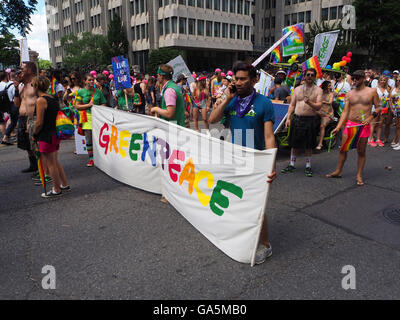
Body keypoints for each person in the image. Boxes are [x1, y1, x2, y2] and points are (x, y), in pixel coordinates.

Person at [209, 61, 276, 265]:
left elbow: (269, 136)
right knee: (235, 197)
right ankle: (240, 235)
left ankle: (265, 244)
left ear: (254, 80)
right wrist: (227, 98)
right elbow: (212, 120)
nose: (238, 82)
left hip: (255, 160)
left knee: (257, 205)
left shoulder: (265, 103)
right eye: (236, 78)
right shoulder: (231, 100)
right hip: (232, 158)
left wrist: (271, 165)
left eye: (243, 79)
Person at [326, 70, 381, 186]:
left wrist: (370, 117)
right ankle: (338, 171)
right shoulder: (349, 94)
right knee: (343, 149)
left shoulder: (372, 92)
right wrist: (338, 126)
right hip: (351, 124)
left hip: (363, 126)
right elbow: (345, 112)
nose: (354, 80)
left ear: (363, 79)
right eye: (353, 78)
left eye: (357, 78)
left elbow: (378, 108)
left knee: (361, 151)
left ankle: (359, 175)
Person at [31, 76, 69, 198]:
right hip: (54, 132)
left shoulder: (40, 100)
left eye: (32, 85)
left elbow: (39, 122)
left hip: (46, 134)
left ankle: (56, 189)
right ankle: (64, 184)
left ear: (36, 86)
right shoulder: (53, 98)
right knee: (55, 161)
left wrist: (34, 134)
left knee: (50, 163)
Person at [281, 68, 323, 177]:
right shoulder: (297, 89)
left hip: (310, 120)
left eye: (312, 75)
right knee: (294, 144)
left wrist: (309, 102)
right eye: (308, 74)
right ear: (304, 76)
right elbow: (292, 104)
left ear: (315, 77)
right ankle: (291, 164)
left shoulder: (318, 90)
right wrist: (288, 118)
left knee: (309, 145)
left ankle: (308, 166)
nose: (309, 76)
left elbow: (319, 106)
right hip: (297, 119)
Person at [76, 74, 107, 167]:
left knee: (99, 138)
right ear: (85, 81)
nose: (91, 82)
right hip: (87, 118)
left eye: (92, 80)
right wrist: (88, 105)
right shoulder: (81, 92)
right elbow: (77, 106)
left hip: (97, 118)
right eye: (89, 80)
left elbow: (104, 104)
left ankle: (101, 158)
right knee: (89, 139)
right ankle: (91, 159)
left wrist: (97, 108)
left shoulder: (98, 92)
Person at [14, 62, 39, 173]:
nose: (20, 71)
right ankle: (33, 165)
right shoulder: (23, 86)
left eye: (22, 69)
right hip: (23, 118)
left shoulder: (36, 84)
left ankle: (42, 169)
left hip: (33, 118)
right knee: (27, 145)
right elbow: (16, 104)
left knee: (35, 145)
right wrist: (16, 88)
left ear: (29, 71)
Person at [368, 75, 391, 147]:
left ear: (386, 81)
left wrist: (388, 100)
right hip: (375, 108)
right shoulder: (375, 89)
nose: (382, 82)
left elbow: (389, 98)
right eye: (381, 80)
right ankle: (370, 139)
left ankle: (378, 139)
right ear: (379, 81)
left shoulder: (388, 89)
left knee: (380, 124)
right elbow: (371, 98)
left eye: (384, 80)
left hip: (384, 109)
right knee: (373, 124)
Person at [316, 81, 334, 150]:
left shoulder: (331, 94)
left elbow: (330, 102)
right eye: (329, 85)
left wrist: (322, 102)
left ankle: (320, 143)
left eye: (330, 85)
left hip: (327, 114)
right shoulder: (321, 93)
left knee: (322, 126)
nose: (330, 87)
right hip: (319, 111)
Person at [1, 71, 17, 145]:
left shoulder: (6, 85)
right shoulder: (13, 85)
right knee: (11, 121)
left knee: (11, 121)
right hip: (14, 105)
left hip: (7, 105)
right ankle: (7, 136)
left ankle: (5, 137)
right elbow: (16, 98)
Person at [390, 77, 400, 150]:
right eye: (397, 80)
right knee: (398, 126)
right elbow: (394, 102)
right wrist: (393, 99)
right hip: (397, 110)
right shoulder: (396, 89)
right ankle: (399, 142)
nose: (398, 82)